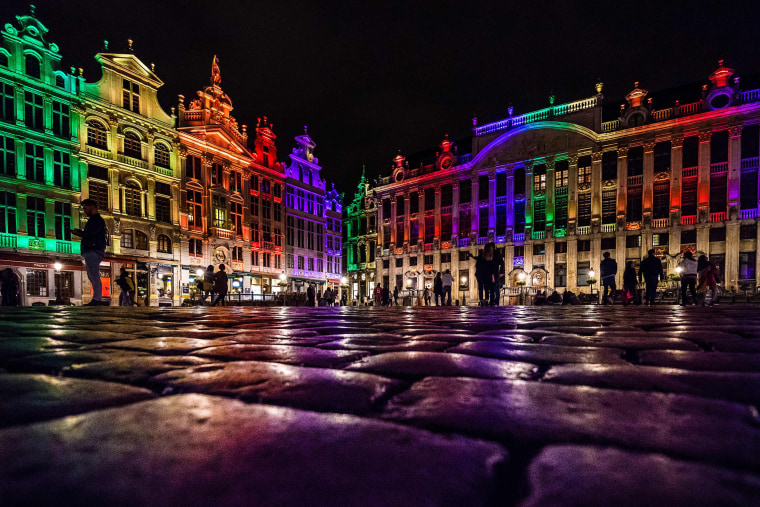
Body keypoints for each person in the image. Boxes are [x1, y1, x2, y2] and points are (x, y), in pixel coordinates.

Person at [72, 199, 108, 306]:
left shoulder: (96, 220)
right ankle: (97, 298)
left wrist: (79, 233)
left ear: (91, 206)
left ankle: (97, 298)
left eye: (85, 208)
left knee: (93, 274)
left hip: (93, 250)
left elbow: (91, 234)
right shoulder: (96, 220)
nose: (84, 210)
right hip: (93, 249)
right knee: (92, 274)